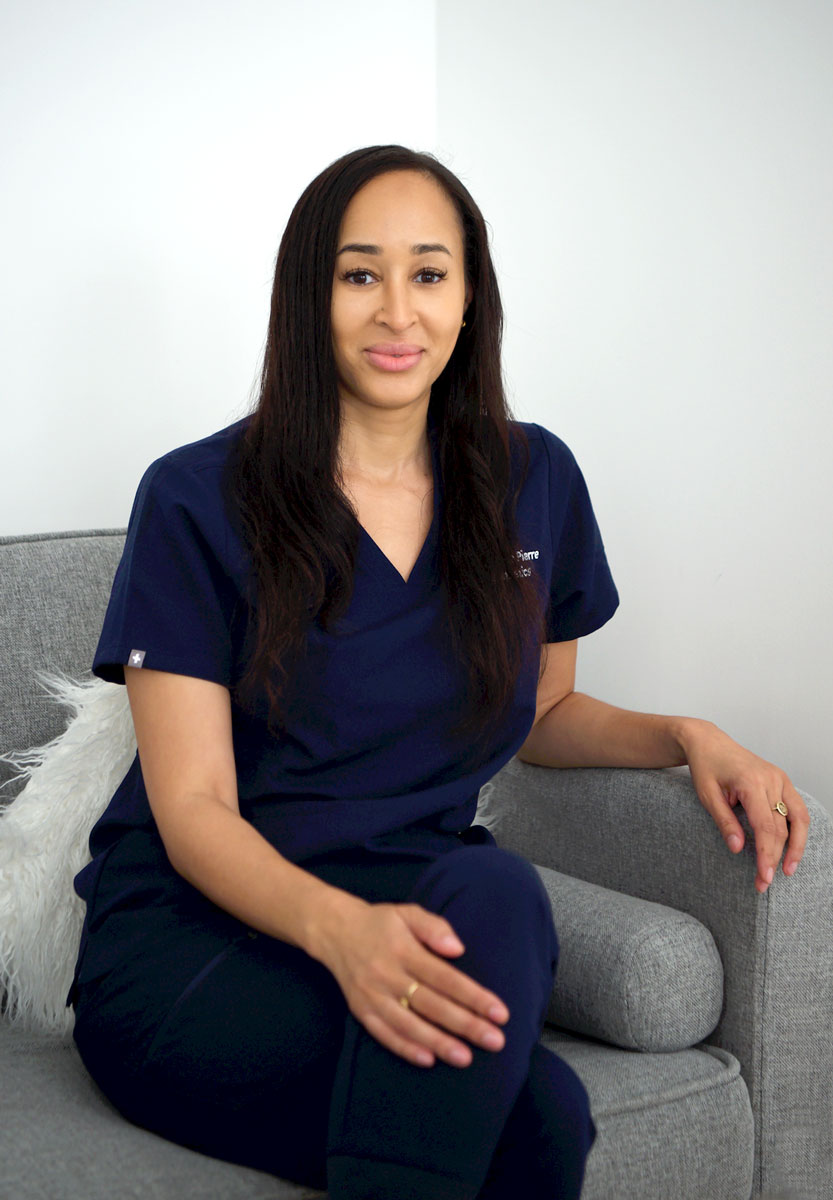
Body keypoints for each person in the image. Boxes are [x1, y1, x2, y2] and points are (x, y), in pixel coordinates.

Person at [68, 145, 809, 1200]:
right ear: (307, 296)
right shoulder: (196, 497)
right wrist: (342, 937)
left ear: (469, 299)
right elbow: (191, 812)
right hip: (201, 934)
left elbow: (542, 710)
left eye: (427, 273)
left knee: (499, 889)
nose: (395, 312)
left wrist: (684, 735)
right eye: (359, 274)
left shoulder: (532, 478)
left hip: (413, 900)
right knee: (538, 1123)